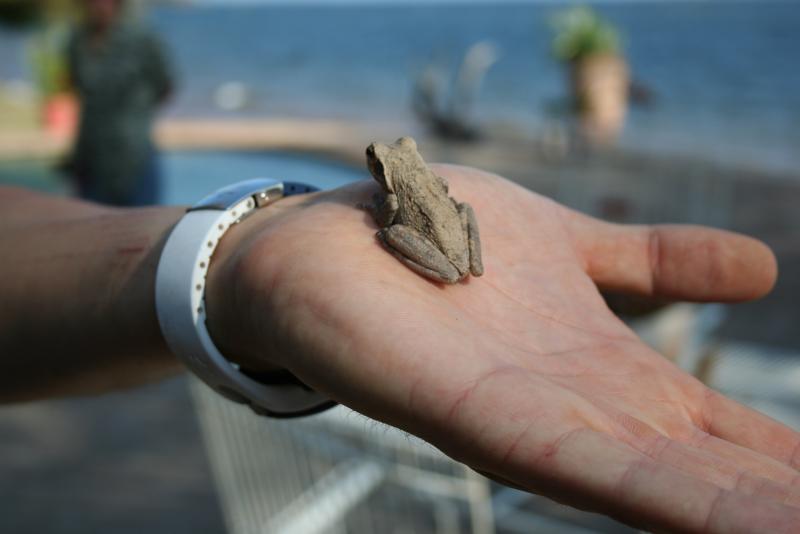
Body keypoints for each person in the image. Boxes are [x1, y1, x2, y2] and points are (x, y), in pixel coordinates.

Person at [0, 166, 798, 533]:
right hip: (458, 235)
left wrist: (237, 255)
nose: (377, 170)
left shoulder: (389, 194)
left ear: (390, 172)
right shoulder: (410, 184)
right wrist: (247, 259)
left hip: (438, 240)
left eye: (383, 166)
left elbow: (405, 213)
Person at [64, 0, 173, 206]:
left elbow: (165, 85)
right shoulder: (77, 41)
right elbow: (78, 87)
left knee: (140, 220)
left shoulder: (140, 39)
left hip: (133, 155)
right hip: (91, 156)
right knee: (92, 220)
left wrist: (136, 114)